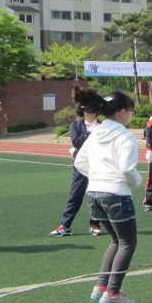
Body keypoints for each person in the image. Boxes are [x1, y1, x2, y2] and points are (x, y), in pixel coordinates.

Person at [73, 90, 142, 303]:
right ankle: (112, 292)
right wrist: (136, 181)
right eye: (131, 111)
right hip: (116, 193)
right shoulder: (125, 136)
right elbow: (127, 169)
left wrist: (97, 177)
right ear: (122, 112)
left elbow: (79, 162)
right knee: (127, 243)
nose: (131, 115)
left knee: (116, 241)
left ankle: (102, 286)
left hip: (94, 194)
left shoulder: (95, 133)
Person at [51, 88, 104, 237]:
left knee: (96, 196)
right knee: (75, 195)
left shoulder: (103, 126)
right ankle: (65, 225)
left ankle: (95, 224)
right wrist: (92, 135)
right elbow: (76, 141)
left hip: (98, 166)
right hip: (80, 166)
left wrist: (89, 136)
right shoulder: (75, 126)